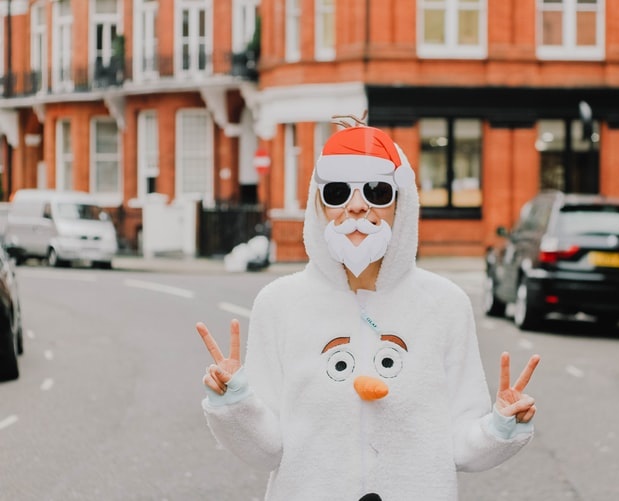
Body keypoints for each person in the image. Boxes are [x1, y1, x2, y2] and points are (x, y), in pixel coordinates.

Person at [197, 118, 540, 501]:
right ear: (318, 205)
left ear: (402, 203)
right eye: (338, 192)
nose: (357, 207)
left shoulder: (445, 304)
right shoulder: (279, 304)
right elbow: (268, 449)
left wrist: (501, 426)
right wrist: (235, 401)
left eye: (377, 192)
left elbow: (459, 443)